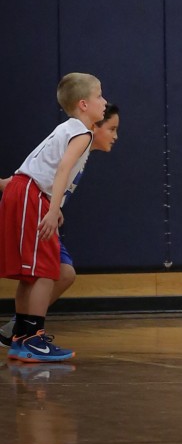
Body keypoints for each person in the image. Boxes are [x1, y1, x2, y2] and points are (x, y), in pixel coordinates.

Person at [0, 73, 107, 363]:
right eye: (100, 96)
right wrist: (51, 208)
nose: (104, 102)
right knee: (46, 271)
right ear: (84, 104)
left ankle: (21, 338)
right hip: (32, 195)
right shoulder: (82, 134)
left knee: (31, 274)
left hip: (20, 191)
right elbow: (61, 171)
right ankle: (34, 340)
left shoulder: (66, 128)